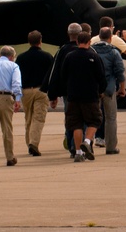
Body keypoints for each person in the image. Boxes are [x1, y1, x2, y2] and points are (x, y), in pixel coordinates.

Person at [60, 31, 107, 162]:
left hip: (73, 96)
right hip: (90, 96)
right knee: (95, 120)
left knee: (76, 125)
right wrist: (101, 90)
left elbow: (63, 75)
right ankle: (87, 141)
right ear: (89, 42)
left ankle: (78, 153)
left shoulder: (69, 57)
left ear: (76, 42)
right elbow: (101, 77)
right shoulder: (94, 57)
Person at [90, 16, 126, 147]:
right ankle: (110, 144)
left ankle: (95, 138)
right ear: (111, 27)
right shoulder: (114, 41)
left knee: (96, 113)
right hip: (110, 85)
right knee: (110, 116)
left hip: (95, 85)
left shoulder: (93, 40)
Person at [44, 22, 83, 156]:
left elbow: (55, 74)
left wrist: (52, 95)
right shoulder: (87, 50)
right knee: (83, 119)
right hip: (85, 92)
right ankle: (78, 145)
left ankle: (72, 144)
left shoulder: (62, 51)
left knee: (70, 118)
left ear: (68, 34)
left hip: (68, 93)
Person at [15, 30, 53, 156]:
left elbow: (17, 76)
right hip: (41, 90)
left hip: (26, 91)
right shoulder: (47, 57)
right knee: (39, 118)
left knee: (28, 118)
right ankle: (34, 143)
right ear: (40, 41)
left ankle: (29, 144)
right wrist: (53, 94)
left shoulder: (21, 57)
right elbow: (51, 76)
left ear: (28, 42)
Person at [91, 27, 126, 154]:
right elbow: (120, 72)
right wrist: (122, 89)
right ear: (111, 38)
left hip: (93, 90)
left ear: (99, 37)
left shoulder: (91, 50)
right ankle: (111, 147)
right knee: (111, 118)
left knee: (91, 118)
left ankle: (88, 144)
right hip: (109, 90)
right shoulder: (114, 52)